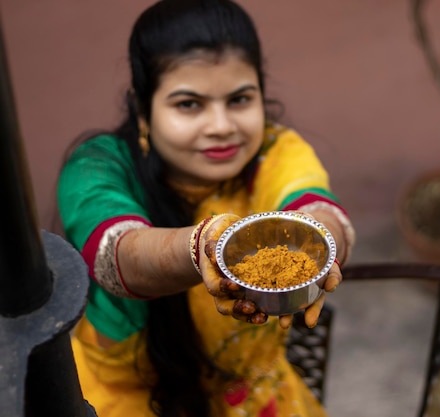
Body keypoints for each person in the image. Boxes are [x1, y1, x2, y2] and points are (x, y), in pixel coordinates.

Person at [55, 1, 356, 416]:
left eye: (239, 99)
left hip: (254, 396)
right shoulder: (97, 168)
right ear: (143, 111)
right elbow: (118, 253)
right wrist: (203, 246)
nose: (220, 126)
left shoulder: (276, 150)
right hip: (128, 401)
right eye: (189, 104)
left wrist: (320, 248)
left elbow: (319, 211)